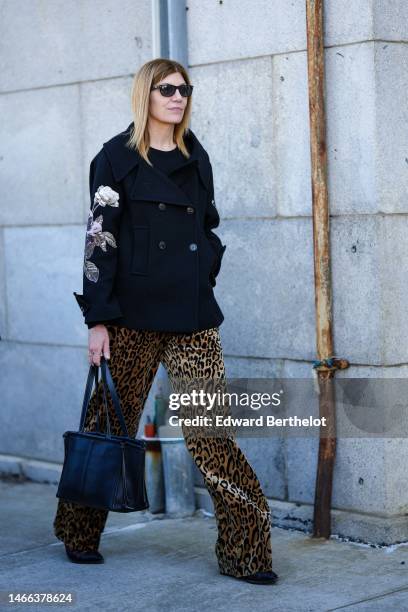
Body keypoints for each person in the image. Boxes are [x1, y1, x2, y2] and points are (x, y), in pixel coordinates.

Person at [53, 58, 278, 585]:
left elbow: (208, 223)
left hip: (192, 316)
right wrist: (98, 320)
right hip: (129, 316)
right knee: (109, 427)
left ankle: (247, 553)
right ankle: (79, 533)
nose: (178, 97)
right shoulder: (114, 159)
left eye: (184, 89)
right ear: (146, 95)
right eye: (167, 89)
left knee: (213, 433)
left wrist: (206, 266)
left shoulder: (196, 157)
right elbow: (98, 241)